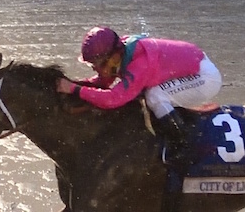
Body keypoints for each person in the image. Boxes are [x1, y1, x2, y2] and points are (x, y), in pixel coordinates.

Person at [58, 27, 222, 163]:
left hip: (205, 78)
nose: (95, 68)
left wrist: (74, 89)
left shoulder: (140, 63)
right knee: (149, 95)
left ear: (113, 56)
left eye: (98, 64)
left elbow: (113, 99)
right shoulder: (121, 53)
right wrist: (74, 84)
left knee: (154, 96)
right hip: (190, 66)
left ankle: (184, 144)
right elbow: (102, 83)